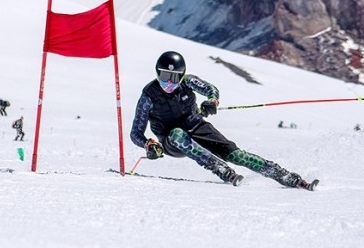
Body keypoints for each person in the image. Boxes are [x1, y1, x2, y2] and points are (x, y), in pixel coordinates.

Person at [130, 51, 318, 190]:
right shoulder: (148, 96)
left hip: (196, 126)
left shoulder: (188, 82)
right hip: (171, 141)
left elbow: (211, 89)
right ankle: (221, 170)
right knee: (178, 134)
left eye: (174, 78)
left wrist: (212, 101)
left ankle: (287, 177)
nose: (169, 84)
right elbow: (135, 133)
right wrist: (148, 144)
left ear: (182, 76)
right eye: (164, 77)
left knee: (235, 155)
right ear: (157, 73)